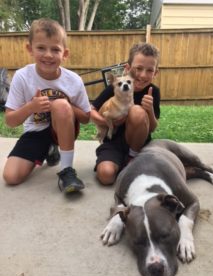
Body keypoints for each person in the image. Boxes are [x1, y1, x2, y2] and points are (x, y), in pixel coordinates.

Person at [2, 18, 91, 194]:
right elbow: (10, 121)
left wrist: (65, 104)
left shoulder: (73, 80)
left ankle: (67, 171)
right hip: (35, 132)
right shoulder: (22, 77)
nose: (48, 55)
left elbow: (87, 118)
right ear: (30, 49)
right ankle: (49, 151)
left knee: (61, 106)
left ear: (64, 54)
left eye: (55, 49)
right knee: (11, 177)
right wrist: (30, 107)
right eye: (41, 48)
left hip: (62, 130)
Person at [91, 42, 160, 185]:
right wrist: (107, 123)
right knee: (105, 175)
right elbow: (90, 111)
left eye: (149, 70)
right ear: (128, 69)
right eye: (138, 69)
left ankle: (132, 158)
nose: (142, 75)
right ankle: (126, 165)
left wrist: (150, 110)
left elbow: (152, 128)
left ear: (156, 72)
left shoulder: (153, 92)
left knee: (136, 111)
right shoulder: (116, 87)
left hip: (138, 143)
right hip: (114, 142)